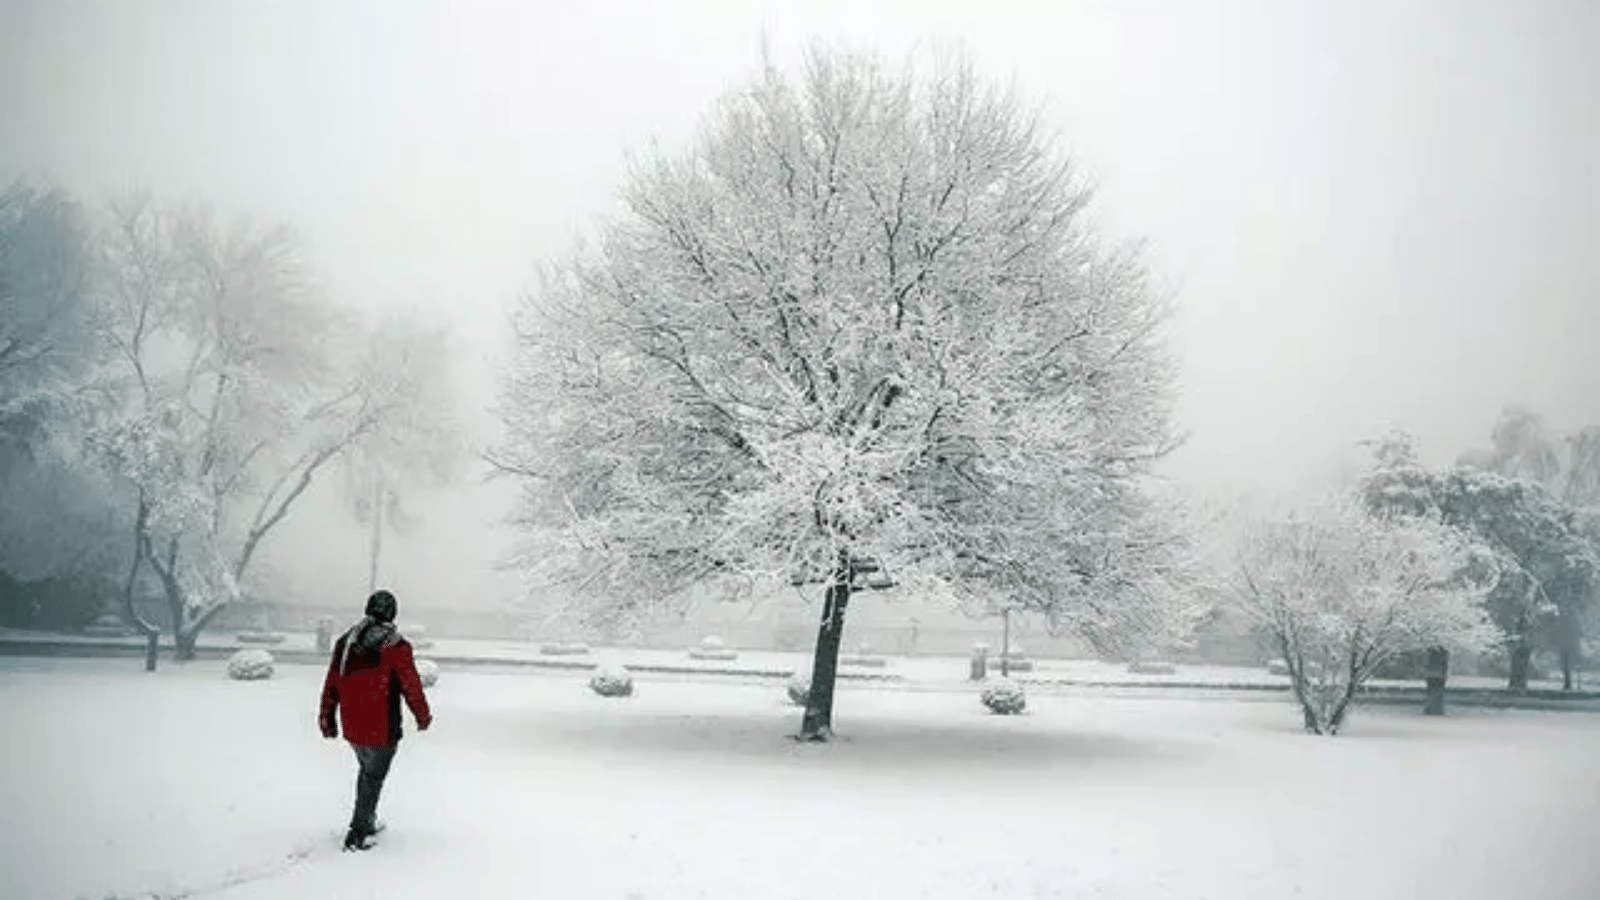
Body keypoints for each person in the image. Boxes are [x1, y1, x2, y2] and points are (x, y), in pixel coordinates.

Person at [318, 589, 432, 851]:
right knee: (373, 777)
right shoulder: (396, 646)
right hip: (383, 729)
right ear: (392, 613)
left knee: (368, 773)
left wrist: (327, 718)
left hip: (353, 726)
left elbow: (332, 682)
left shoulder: (347, 642)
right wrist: (422, 716)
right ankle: (357, 833)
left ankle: (366, 820)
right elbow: (411, 685)